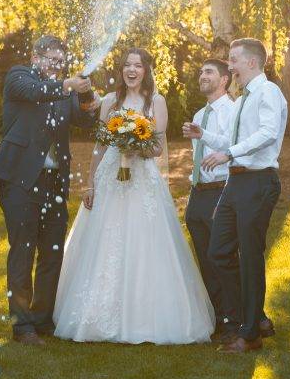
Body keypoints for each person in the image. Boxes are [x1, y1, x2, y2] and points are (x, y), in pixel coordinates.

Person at [53, 48, 214, 344]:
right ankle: (95, 315)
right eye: (127, 64)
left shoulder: (157, 101)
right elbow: (100, 147)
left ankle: (144, 316)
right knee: (104, 240)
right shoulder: (109, 102)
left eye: (137, 65)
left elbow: (157, 149)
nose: (131, 70)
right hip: (110, 178)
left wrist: (133, 145)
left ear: (146, 70)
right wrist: (90, 184)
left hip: (142, 179)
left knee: (144, 241)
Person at [0, 35, 98, 346]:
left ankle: (42, 319)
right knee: (22, 251)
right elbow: (37, 92)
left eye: (60, 61)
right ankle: (21, 327)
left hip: (55, 182)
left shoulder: (64, 90)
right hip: (21, 179)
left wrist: (87, 92)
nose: (56, 65)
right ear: (36, 57)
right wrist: (67, 85)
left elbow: (88, 119)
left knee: (52, 252)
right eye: (51, 59)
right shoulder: (19, 76)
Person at [189, 39, 287, 353]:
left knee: (250, 255)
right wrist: (204, 136)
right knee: (218, 251)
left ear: (252, 62)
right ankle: (253, 317)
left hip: (258, 181)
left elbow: (268, 133)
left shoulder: (267, 91)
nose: (229, 66)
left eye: (233, 60)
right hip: (237, 183)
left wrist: (228, 153)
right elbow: (233, 139)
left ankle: (250, 333)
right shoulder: (244, 98)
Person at [180, 59, 237, 338]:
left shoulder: (233, 110)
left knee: (222, 256)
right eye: (201, 71)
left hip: (222, 190)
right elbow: (199, 155)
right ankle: (217, 316)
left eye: (209, 72)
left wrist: (203, 134)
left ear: (224, 79)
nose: (202, 75)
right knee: (204, 257)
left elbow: (233, 145)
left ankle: (236, 317)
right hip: (199, 192)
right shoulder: (199, 114)